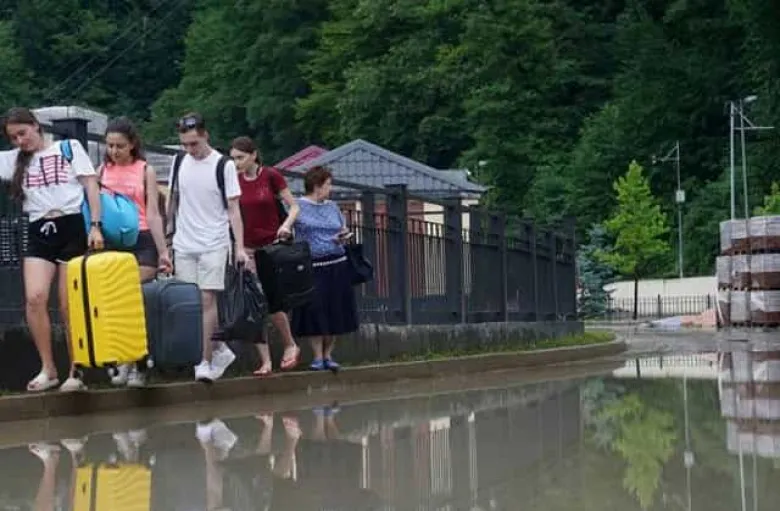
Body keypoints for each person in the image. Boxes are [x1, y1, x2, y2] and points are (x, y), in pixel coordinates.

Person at [0, 107, 103, 392]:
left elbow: (91, 185)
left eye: (23, 133)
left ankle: (76, 368)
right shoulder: (14, 159)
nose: (20, 141)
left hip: (71, 224)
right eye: (13, 137)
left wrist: (95, 224)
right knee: (35, 297)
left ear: (36, 126)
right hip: (38, 227)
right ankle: (48, 367)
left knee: (69, 303)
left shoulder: (68, 148)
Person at [167, 112, 249, 382]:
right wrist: (168, 236)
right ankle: (218, 348)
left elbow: (234, 209)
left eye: (194, 143)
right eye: (185, 144)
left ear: (206, 136)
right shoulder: (179, 161)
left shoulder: (223, 165)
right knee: (188, 303)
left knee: (206, 299)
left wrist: (239, 246)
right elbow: (173, 199)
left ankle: (204, 360)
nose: (190, 149)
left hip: (214, 240)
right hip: (184, 241)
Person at [99, 117, 172, 388]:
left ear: (132, 145)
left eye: (120, 146)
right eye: (110, 146)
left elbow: (152, 213)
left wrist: (163, 251)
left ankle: (137, 361)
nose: (114, 151)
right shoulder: (102, 170)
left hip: (142, 238)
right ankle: (127, 358)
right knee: (118, 302)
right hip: (114, 241)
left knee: (130, 295)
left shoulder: (145, 170)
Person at [229, 136, 301, 376]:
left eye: (240, 157)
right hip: (246, 248)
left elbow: (294, 206)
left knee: (272, 301)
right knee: (253, 303)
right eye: (233, 158)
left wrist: (286, 226)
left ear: (253, 155)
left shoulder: (270, 176)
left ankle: (290, 344)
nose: (237, 163)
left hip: (270, 247)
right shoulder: (234, 181)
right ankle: (265, 360)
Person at [290, 166, 358, 370]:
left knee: (335, 309)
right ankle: (317, 355)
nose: (331, 188)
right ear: (317, 186)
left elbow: (341, 226)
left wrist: (342, 236)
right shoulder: (298, 206)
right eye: (328, 184)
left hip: (336, 262)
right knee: (315, 309)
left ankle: (328, 354)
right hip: (313, 264)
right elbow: (291, 228)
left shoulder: (332, 207)